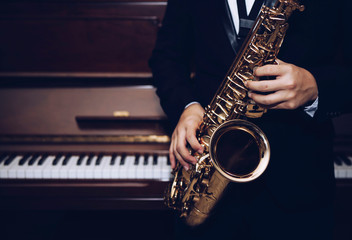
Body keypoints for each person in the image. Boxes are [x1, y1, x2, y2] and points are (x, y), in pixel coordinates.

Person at [149, 0, 352, 239]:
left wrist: (316, 88)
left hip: (298, 183)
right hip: (204, 174)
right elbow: (167, 57)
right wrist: (187, 106)